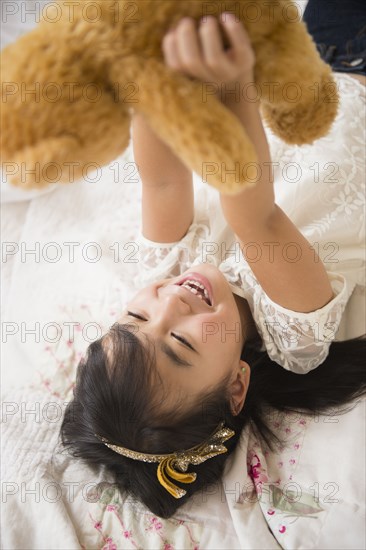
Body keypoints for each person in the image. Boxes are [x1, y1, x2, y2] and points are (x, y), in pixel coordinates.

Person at [60, 1, 366, 519]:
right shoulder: (297, 338)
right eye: (180, 342)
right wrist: (235, 86)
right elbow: (255, 214)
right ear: (236, 386)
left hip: (316, 68)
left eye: (135, 317)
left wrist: (148, 73)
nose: (171, 303)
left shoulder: (166, 273)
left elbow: (162, 178)